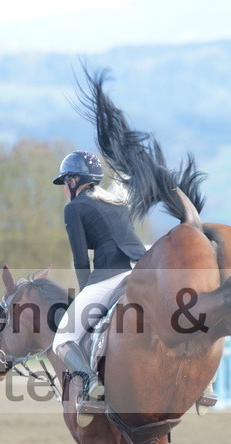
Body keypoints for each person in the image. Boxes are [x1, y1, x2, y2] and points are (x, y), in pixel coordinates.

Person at [50, 151, 146, 411]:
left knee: (61, 340)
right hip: (142, 270)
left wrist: (84, 293)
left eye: (65, 182)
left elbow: (81, 259)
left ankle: (91, 382)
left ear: (73, 181)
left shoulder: (74, 208)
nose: (64, 189)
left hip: (111, 276)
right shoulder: (117, 202)